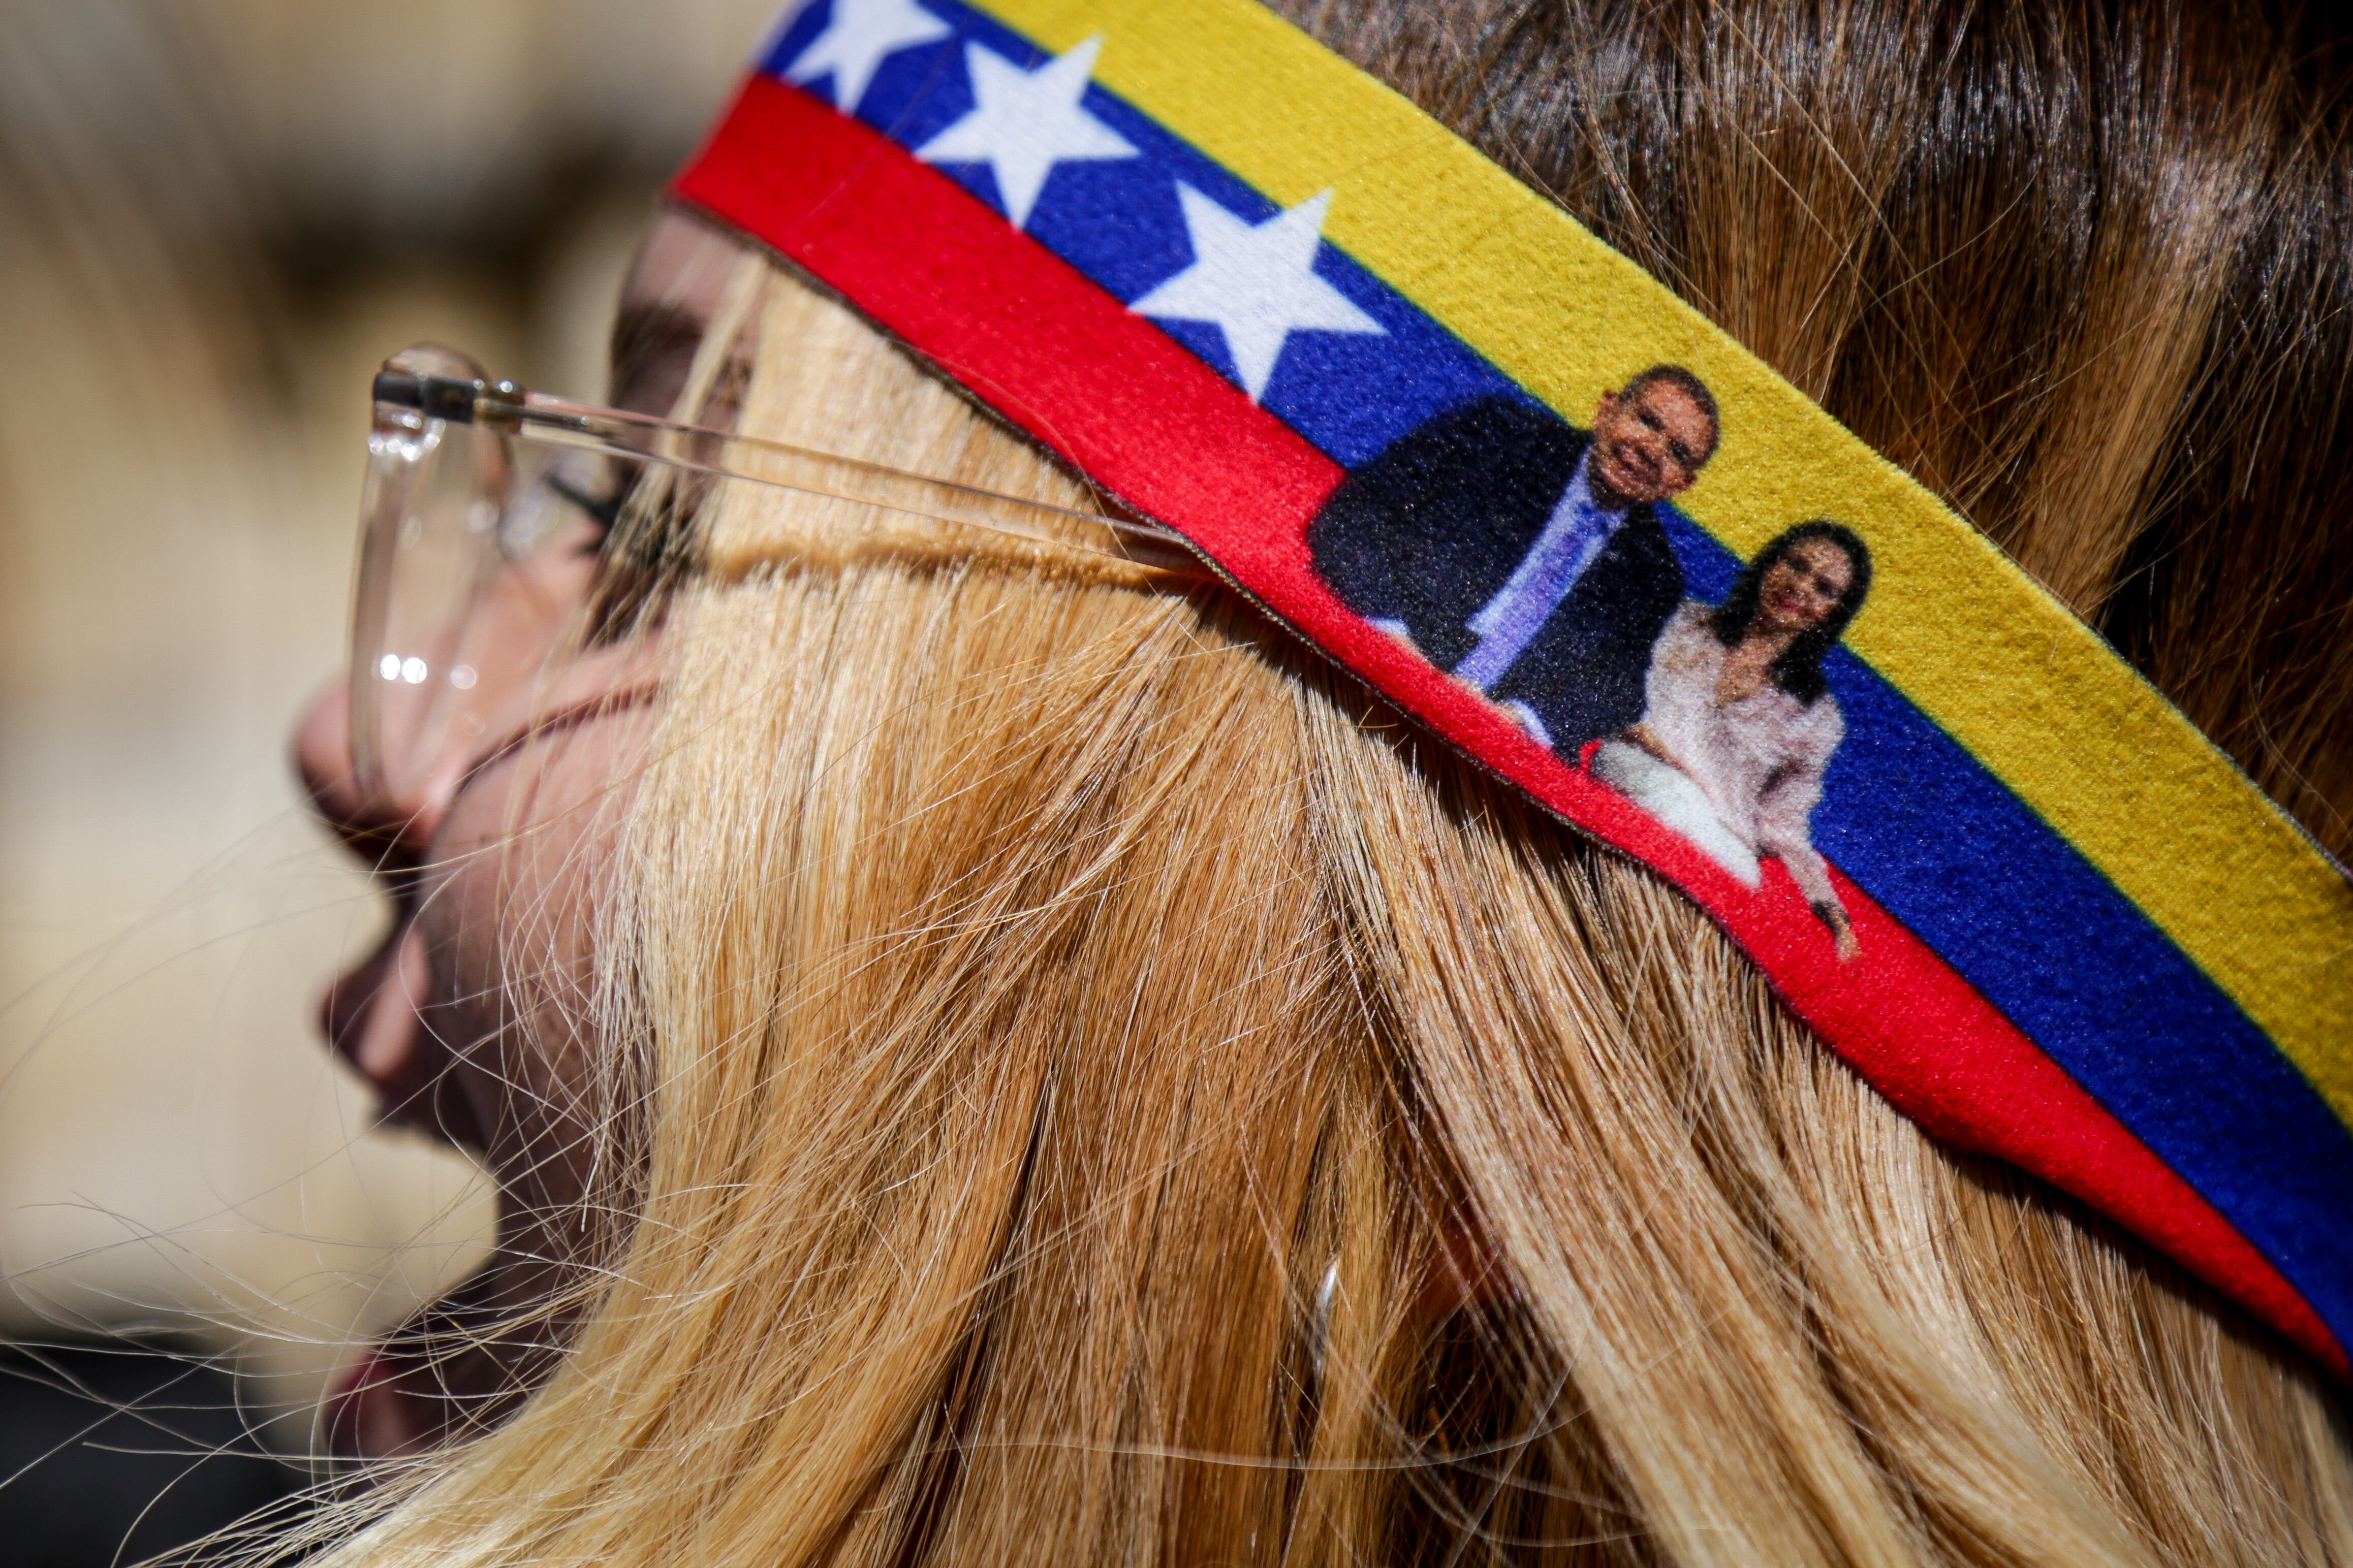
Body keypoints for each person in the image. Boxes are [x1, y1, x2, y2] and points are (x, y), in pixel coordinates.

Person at [277, 1, 2353, 1564]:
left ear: (1464, 1085)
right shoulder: (1486, 478)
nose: (348, 744)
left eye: (662, 543)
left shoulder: (1644, 640)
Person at [1306, 368, 1717, 755]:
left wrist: (1517, 717)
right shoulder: (1496, 433)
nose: (1651, 449)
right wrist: (1397, 645)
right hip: (1373, 656)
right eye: (1646, 420)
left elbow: (1617, 690)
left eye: (1677, 452)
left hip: (1488, 736)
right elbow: (1354, 517)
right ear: (1606, 410)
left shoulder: (1655, 575)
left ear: (1680, 483)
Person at [1595, 522, 1871, 958]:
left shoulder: (1817, 717)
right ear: (1769, 563)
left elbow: (1782, 823)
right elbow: (1611, 690)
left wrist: (1832, 913)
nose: (1800, 586)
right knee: (1680, 806)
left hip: (1721, 835)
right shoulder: (1682, 622)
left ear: (1833, 613)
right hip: (1636, 773)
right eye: (1795, 565)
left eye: (1823, 588)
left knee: (1742, 873)